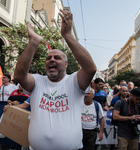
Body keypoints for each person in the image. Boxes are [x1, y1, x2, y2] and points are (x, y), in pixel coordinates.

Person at [13, 9, 96, 150]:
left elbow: (90, 69)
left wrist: (67, 35)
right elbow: (19, 75)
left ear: (66, 64)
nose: (51, 60)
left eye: (57, 58)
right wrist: (33, 42)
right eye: (48, 58)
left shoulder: (74, 81)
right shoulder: (38, 81)